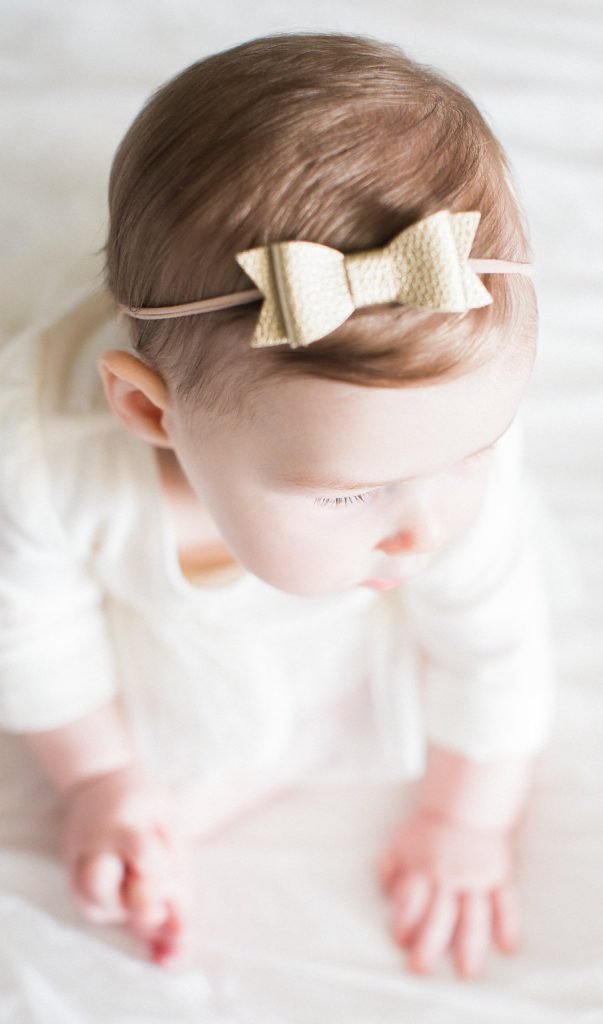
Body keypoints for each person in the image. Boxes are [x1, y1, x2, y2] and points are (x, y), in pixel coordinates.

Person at [0, 31, 556, 979]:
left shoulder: (441, 446)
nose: (426, 526)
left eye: (478, 449)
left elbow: (497, 646)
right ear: (148, 410)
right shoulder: (41, 464)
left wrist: (466, 816)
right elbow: (29, 635)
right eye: (346, 491)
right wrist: (101, 776)